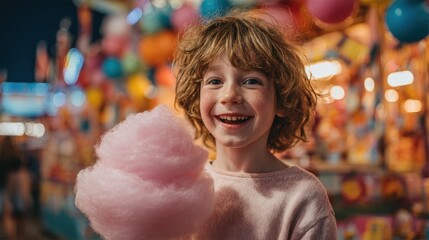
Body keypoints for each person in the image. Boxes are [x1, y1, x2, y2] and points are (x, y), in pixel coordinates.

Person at [174, 10, 337, 239]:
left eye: (251, 81)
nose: (229, 95)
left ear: (281, 99)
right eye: (215, 81)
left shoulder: (303, 197)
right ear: (196, 96)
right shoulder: (180, 184)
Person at [0, 136, 32, 240]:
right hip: (17, 188)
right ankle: (20, 235)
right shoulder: (16, 156)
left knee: (8, 215)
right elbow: (22, 173)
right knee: (19, 215)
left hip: (4, 188)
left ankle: (11, 236)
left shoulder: (2, 156)